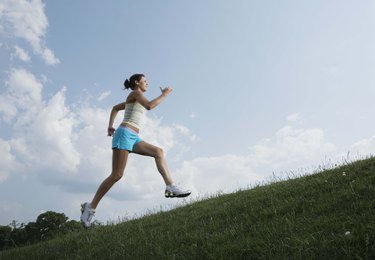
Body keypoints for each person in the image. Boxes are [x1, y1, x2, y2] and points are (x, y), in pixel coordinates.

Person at [80, 74, 191, 228]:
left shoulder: (134, 98)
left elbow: (115, 108)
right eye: (145, 81)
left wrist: (110, 126)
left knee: (158, 152)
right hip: (124, 134)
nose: (147, 84)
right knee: (117, 175)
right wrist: (164, 94)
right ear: (137, 82)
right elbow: (150, 106)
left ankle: (170, 186)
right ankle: (90, 207)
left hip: (133, 136)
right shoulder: (135, 93)